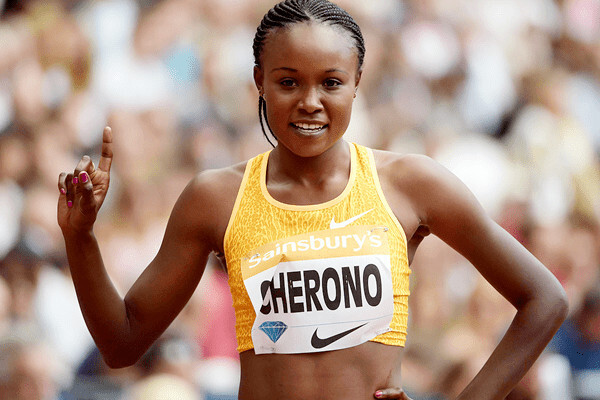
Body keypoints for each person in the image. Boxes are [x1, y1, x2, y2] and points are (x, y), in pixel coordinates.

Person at [57, 1, 568, 399]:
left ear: (357, 83)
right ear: (258, 81)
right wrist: (80, 237)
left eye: (331, 83)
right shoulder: (215, 199)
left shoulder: (411, 184)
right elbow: (122, 344)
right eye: (287, 82)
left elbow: (544, 299)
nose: (310, 102)